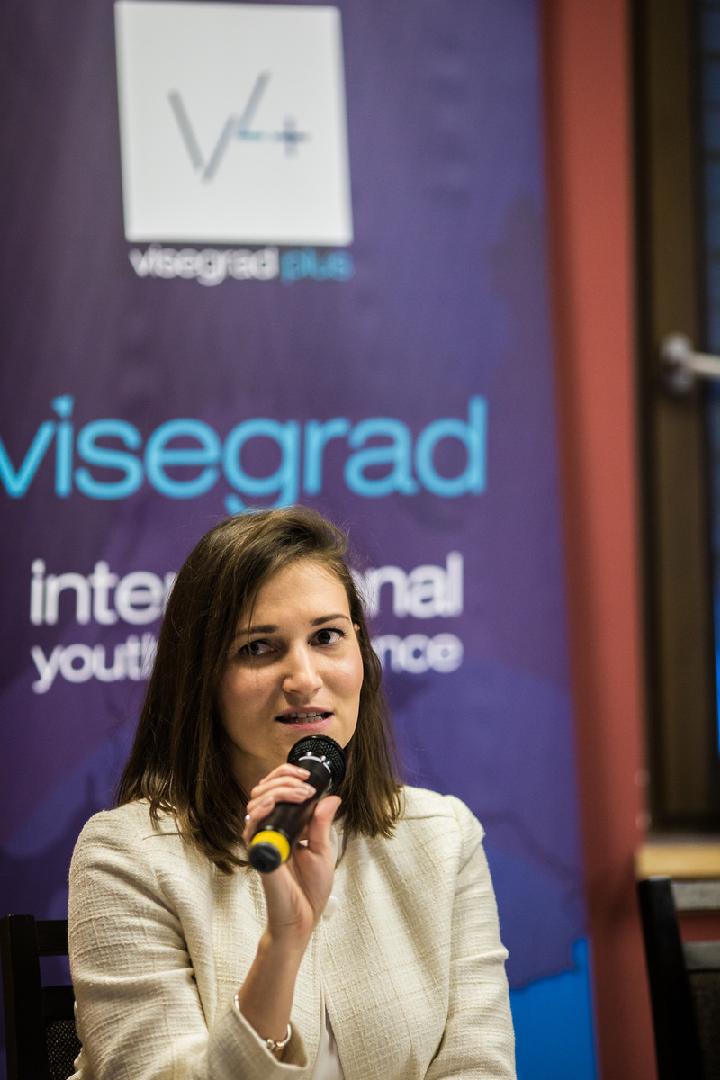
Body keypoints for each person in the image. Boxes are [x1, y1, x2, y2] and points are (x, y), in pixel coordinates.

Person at [68, 506, 516, 1079]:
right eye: (258, 647)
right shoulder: (126, 856)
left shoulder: (443, 838)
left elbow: (478, 1066)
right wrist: (283, 945)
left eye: (326, 637)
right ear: (203, 678)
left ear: (360, 653)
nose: (304, 678)